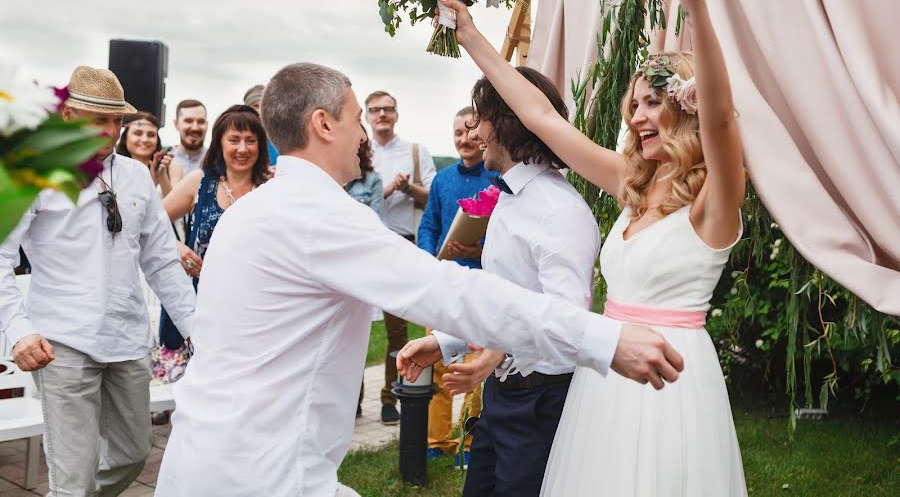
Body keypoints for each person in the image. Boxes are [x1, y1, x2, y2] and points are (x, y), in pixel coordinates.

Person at [155, 62, 684, 497]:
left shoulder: (251, 210)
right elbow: (450, 292)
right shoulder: (319, 215)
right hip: (265, 473)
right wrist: (603, 338)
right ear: (323, 124)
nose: (363, 133)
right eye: (355, 118)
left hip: (200, 459)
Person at [439, 0, 748, 496]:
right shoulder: (631, 186)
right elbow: (539, 116)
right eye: (634, 106)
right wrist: (472, 38)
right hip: (605, 373)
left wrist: (696, 5)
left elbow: (724, 121)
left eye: (653, 102)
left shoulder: (715, 202)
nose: (637, 117)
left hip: (672, 380)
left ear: (687, 105)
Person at [0, 65, 196, 496]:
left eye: (116, 121)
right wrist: (18, 330)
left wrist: (199, 330)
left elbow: (162, 261)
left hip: (126, 340)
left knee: (132, 453)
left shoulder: (135, 176)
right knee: (73, 474)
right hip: (60, 343)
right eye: (98, 119)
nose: (110, 130)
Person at [404, 72, 599, 494]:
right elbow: (498, 297)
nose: (474, 132)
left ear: (508, 121)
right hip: (503, 397)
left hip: (542, 404)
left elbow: (569, 322)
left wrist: (495, 353)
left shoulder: (558, 211)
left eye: (480, 119)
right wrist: (444, 342)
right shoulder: (511, 199)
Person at [415, 105, 497, 464]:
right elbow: (429, 224)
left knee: (476, 362)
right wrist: (425, 257)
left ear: (481, 136)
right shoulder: (442, 179)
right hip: (443, 281)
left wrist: (480, 250)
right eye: (457, 133)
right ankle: (436, 440)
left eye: (469, 132)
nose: (463, 139)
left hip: (481, 281)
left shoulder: (495, 179)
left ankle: (468, 440)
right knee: (437, 361)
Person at [161, 105, 269, 355]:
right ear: (219, 143)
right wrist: (175, 247)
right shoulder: (200, 182)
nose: (242, 149)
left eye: (250, 141)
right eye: (234, 140)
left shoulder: (271, 186)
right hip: (201, 310)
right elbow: (151, 222)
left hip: (255, 310)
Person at [366, 89, 436, 425]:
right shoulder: (358, 153)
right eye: (375, 110)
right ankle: (351, 401)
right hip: (364, 246)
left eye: (388, 109)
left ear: (396, 114)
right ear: (366, 116)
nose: (382, 115)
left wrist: (408, 188)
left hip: (402, 243)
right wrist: (389, 189)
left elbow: (432, 197)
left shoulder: (415, 152)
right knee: (354, 324)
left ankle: (389, 396)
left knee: (396, 329)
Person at [345, 129, 384, 418]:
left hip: (360, 267)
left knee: (356, 338)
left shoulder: (371, 181)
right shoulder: (330, 181)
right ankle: (347, 402)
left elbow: (376, 225)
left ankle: (356, 400)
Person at [116, 111, 184, 197]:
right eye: (138, 133)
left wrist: (161, 175)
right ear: (125, 137)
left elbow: (176, 207)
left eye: (151, 135)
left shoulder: (172, 167)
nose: (145, 139)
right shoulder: (113, 166)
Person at [244, 84, 280, 165]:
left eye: (264, 106)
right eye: (256, 106)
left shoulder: (281, 143)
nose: (260, 111)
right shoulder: (237, 140)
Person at [171, 99, 209, 175]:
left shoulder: (217, 162)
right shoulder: (164, 162)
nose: (195, 128)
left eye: (201, 121)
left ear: (207, 125)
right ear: (176, 124)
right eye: (188, 121)